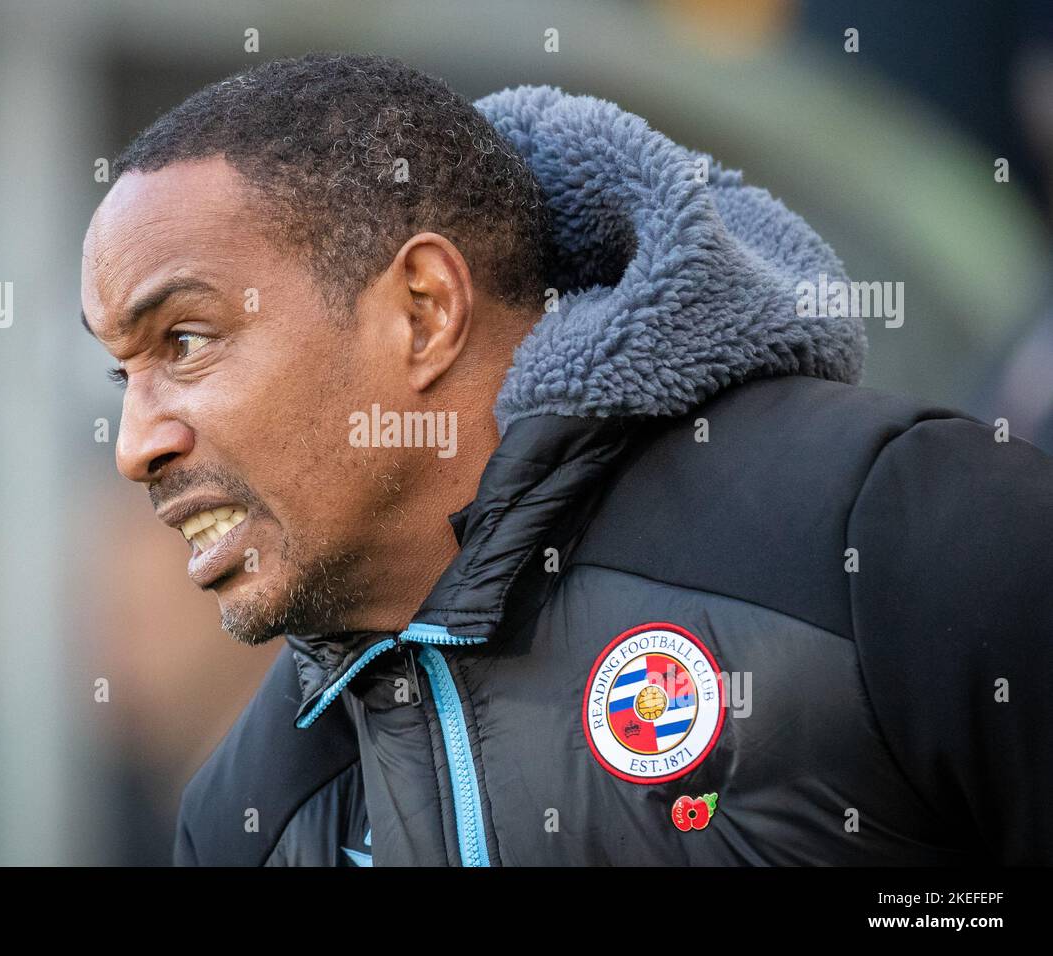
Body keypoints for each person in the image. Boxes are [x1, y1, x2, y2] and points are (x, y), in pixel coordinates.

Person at [79, 52, 1053, 866]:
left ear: (424, 311)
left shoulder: (891, 531)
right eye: (125, 374)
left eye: (185, 341)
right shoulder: (250, 814)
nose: (135, 446)